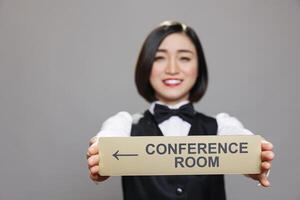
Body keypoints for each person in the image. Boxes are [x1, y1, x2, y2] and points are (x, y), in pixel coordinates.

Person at [86, 21, 274, 200]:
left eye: (184, 58)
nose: (172, 69)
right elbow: (109, 137)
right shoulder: (124, 123)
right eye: (159, 58)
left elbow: (238, 137)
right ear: (146, 65)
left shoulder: (221, 125)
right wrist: (103, 158)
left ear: (199, 68)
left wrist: (252, 156)